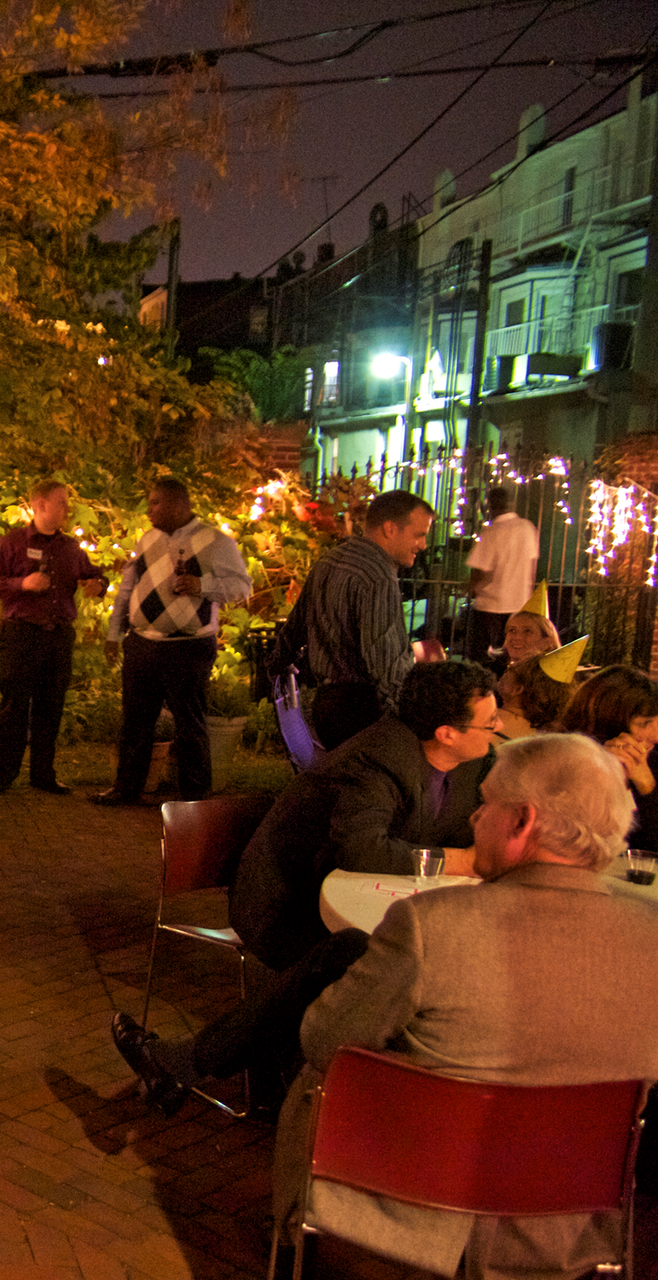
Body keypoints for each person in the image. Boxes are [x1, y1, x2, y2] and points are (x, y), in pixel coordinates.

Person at [276, 733, 658, 1279]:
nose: (474, 817)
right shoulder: (652, 943)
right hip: (566, 1222)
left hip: (416, 1208)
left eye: (486, 802)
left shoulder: (432, 926)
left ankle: (296, 1237)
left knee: (318, 1072)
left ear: (522, 821)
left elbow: (322, 1037)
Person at [112, 660, 500, 1117]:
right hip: (285, 905)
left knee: (387, 957)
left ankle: (194, 1065)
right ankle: (312, 1092)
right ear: (446, 733)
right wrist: (453, 860)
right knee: (363, 958)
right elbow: (361, 850)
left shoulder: (473, 764)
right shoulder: (376, 760)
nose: (498, 728)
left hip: (356, 894)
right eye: (489, 722)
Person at [95, 479, 251, 806]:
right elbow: (128, 588)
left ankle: (194, 796)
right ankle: (127, 789)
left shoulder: (215, 541)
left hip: (188, 646)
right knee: (136, 721)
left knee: (189, 722)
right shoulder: (147, 539)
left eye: (155, 503)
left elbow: (241, 588)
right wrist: (115, 632)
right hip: (143, 643)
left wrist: (201, 584)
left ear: (179, 506)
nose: (149, 510)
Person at [274, 490, 434, 751]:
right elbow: (387, 665)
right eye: (419, 534)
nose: (424, 545)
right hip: (362, 711)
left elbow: (293, 632)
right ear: (390, 529)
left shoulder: (330, 559)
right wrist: (414, 724)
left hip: (328, 706)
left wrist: (280, 675)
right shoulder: (377, 578)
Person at [0, 479, 106, 796]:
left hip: (58, 636)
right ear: (40, 505)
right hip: (22, 633)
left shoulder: (71, 548)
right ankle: (3, 773)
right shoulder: (12, 543)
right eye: (61, 502)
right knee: (14, 706)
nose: (66, 509)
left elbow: (95, 575)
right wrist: (23, 584)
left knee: (51, 706)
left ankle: (43, 773)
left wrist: (97, 586)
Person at [558, 663, 658, 839]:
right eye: (643, 724)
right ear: (608, 722)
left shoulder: (654, 761)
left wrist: (648, 787)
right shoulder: (564, 762)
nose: (656, 736)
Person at [460, 486, 536, 667]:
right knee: (512, 653)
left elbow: (481, 569)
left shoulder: (493, 531)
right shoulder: (528, 528)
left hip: (491, 604)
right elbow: (532, 564)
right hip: (520, 603)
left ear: (491, 505)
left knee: (481, 656)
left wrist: (467, 588)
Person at [497, 602, 559, 674]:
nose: (517, 637)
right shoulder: (495, 673)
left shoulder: (549, 681)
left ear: (547, 642)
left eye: (527, 631)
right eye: (512, 630)